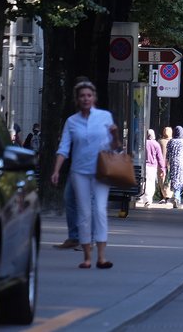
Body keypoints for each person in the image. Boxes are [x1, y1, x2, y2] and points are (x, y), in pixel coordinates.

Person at [51, 80, 117, 269]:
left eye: (89, 95)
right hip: (79, 172)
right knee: (84, 213)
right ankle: (87, 257)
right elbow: (64, 148)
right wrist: (56, 170)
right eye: (82, 96)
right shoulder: (72, 121)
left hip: (102, 170)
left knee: (100, 211)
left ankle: (102, 257)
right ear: (77, 100)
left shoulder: (105, 117)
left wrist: (116, 135)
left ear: (94, 98)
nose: (86, 98)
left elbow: (115, 147)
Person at [138, 129, 165, 207]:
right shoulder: (156, 144)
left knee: (142, 181)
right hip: (152, 166)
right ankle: (148, 199)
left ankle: (141, 197)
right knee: (151, 182)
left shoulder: (143, 143)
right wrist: (162, 169)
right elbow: (159, 157)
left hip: (142, 165)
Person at [166, 126, 183, 208]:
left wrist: (168, 163)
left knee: (175, 180)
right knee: (180, 181)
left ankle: (176, 198)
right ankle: (177, 198)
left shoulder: (171, 141)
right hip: (182, 163)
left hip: (173, 163)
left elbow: (167, 154)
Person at [157, 126, 172, 203]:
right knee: (168, 180)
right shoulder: (172, 141)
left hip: (161, 163)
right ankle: (167, 197)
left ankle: (162, 196)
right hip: (169, 163)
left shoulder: (160, 141)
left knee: (161, 180)